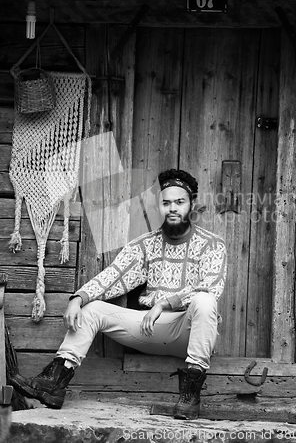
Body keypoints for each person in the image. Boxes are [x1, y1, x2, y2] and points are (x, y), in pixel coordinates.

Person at [10, 169, 227, 420]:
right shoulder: (145, 244)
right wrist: (78, 298)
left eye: (180, 202)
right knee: (92, 309)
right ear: (158, 207)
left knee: (205, 300)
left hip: (189, 332)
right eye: (166, 203)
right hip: (150, 329)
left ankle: (190, 397)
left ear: (192, 205)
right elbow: (113, 276)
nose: (173, 208)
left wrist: (165, 303)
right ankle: (55, 382)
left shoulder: (212, 244)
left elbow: (212, 287)